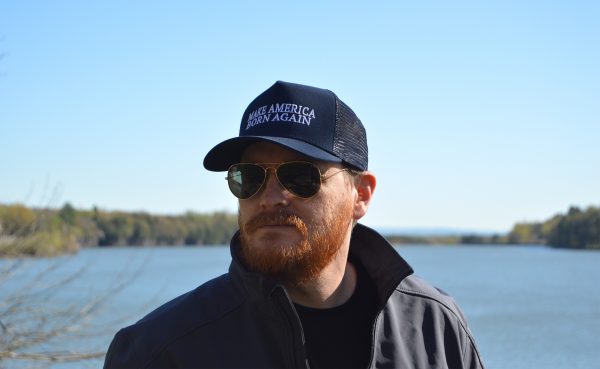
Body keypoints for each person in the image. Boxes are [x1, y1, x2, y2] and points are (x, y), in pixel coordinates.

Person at [104, 81, 485, 369]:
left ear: (361, 195)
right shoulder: (161, 351)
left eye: (300, 177)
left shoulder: (435, 327)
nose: (269, 198)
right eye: (248, 177)